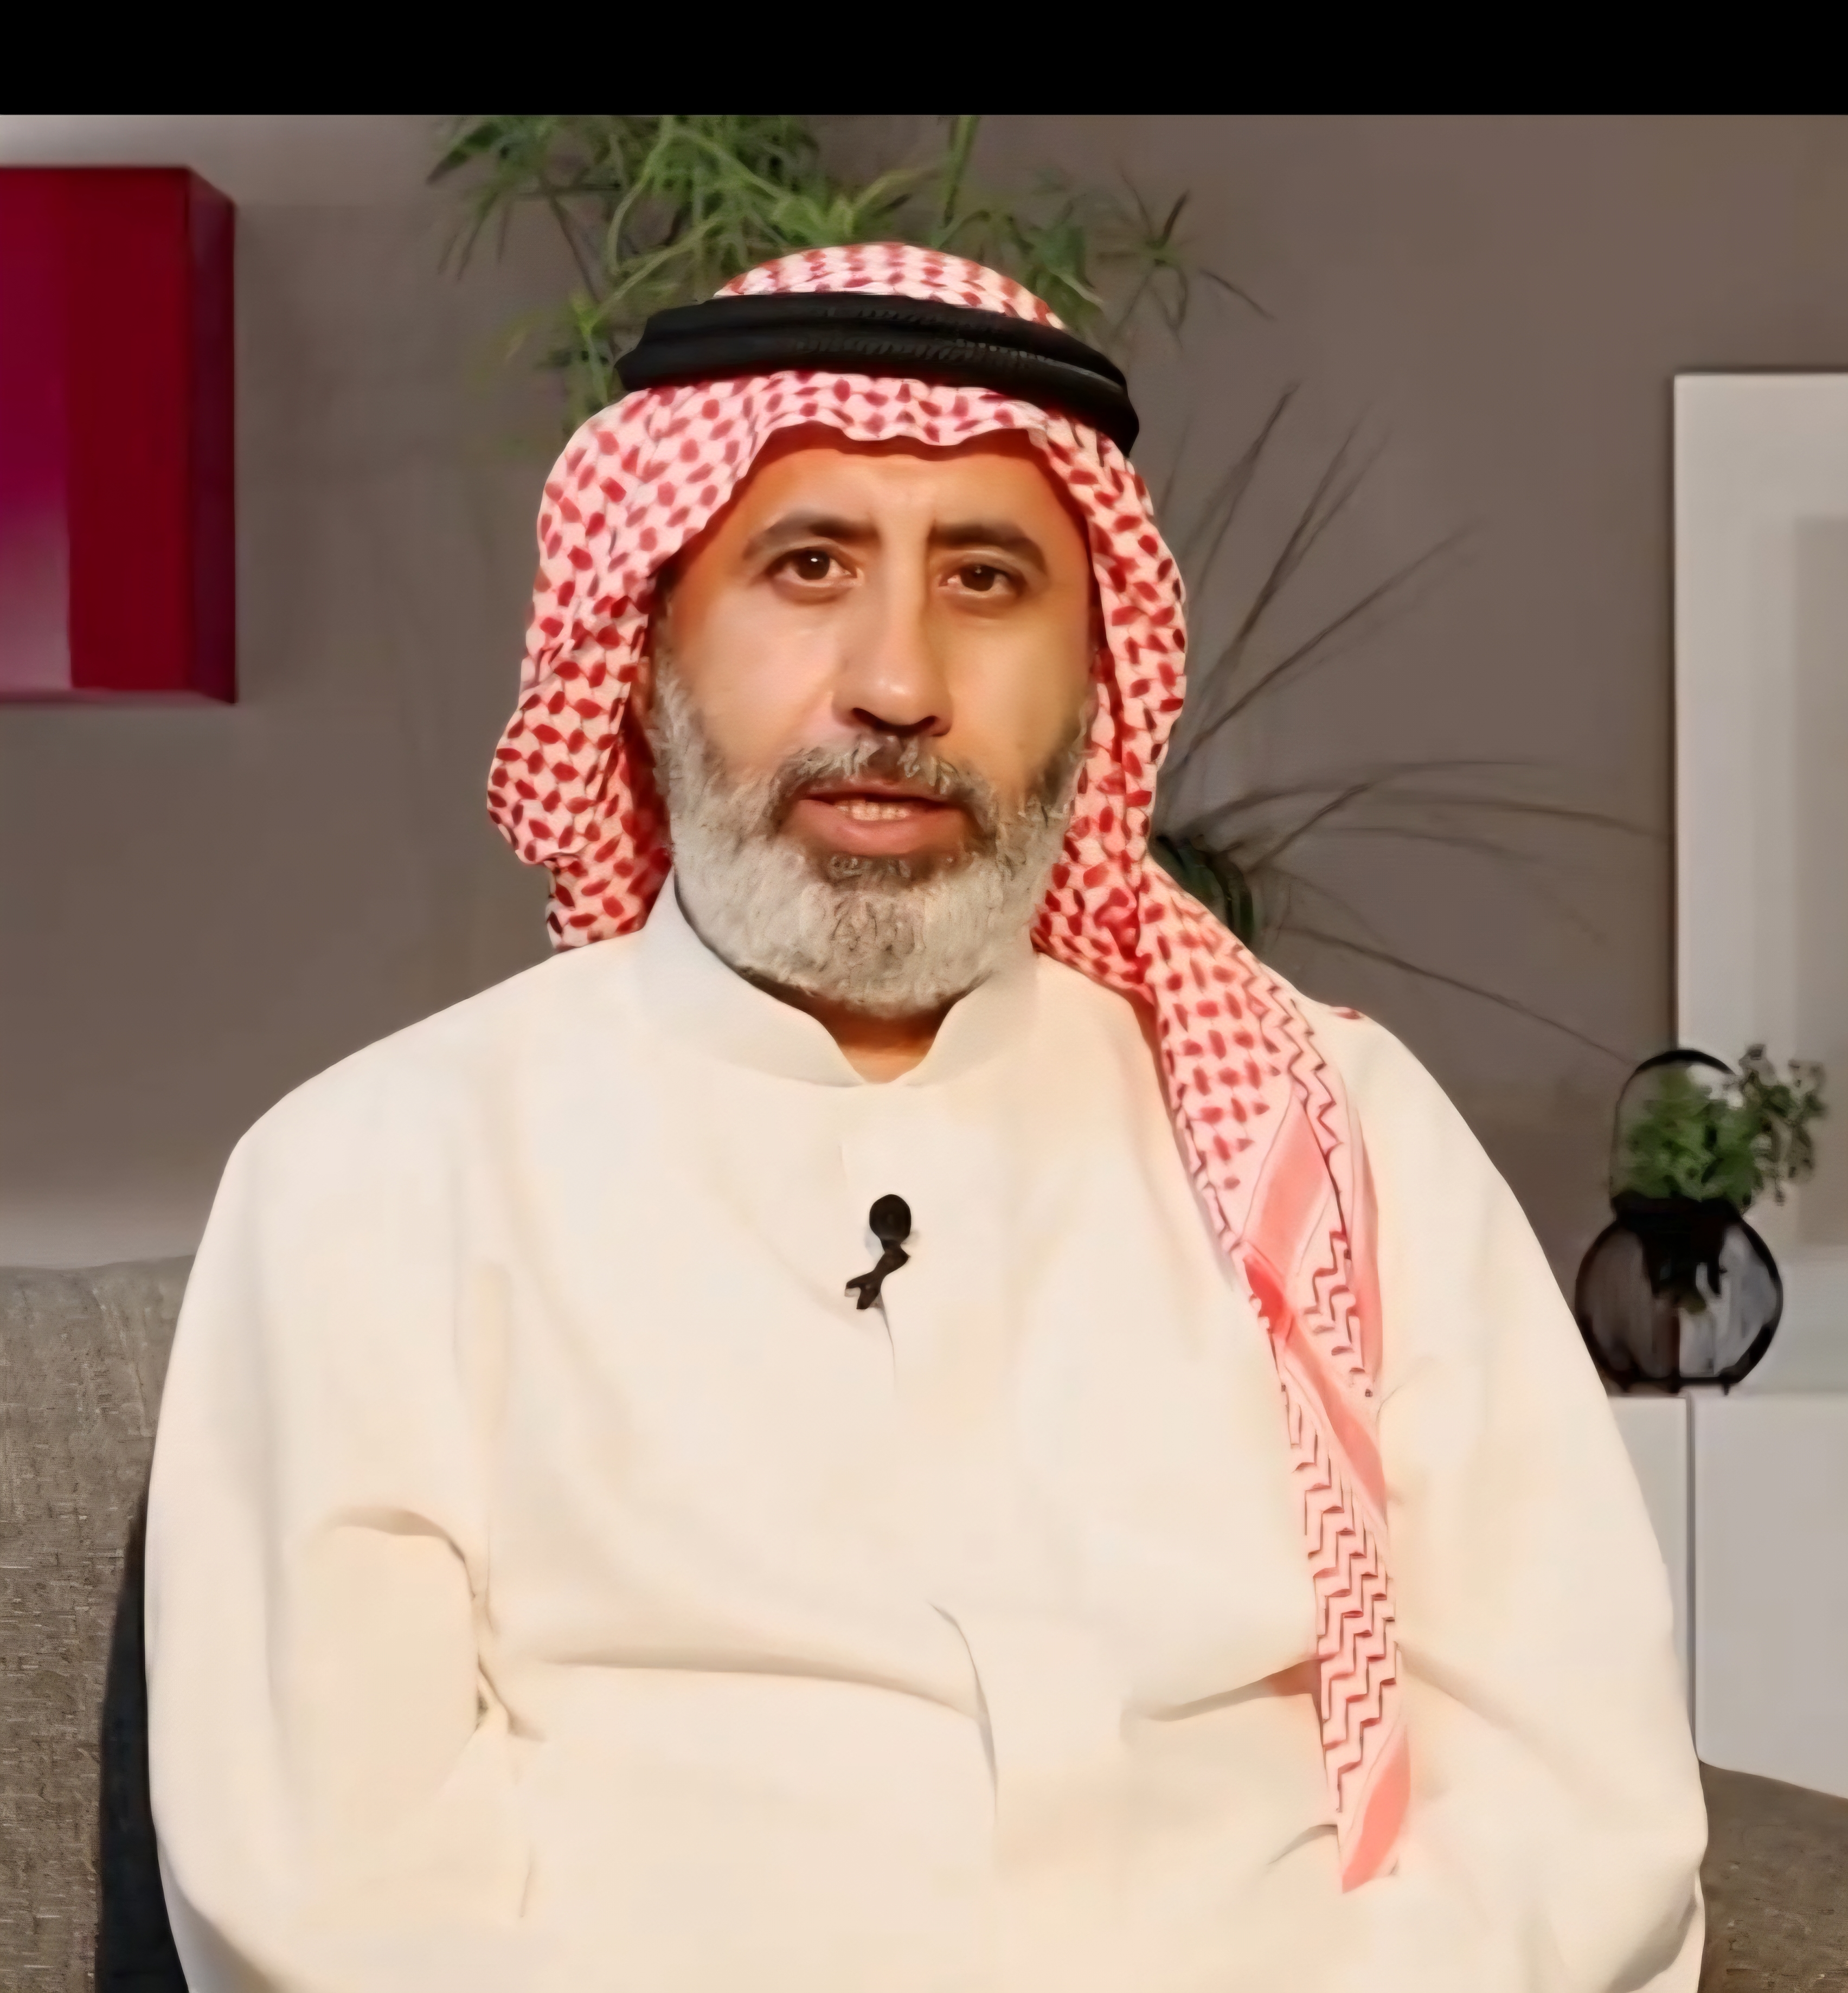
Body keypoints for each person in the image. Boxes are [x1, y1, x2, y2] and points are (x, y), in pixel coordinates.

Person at [145, 245, 1705, 1993]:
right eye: (806, 566)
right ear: (646, 646)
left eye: (985, 578)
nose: (896, 683)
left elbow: (1578, 1814)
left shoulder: (1334, 1141)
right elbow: (337, 1901)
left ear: (1095, 672)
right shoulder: (373, 1180)